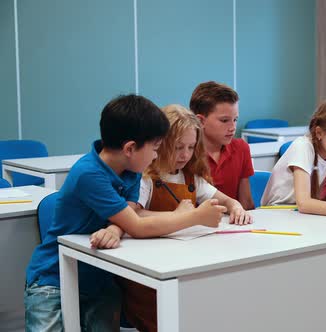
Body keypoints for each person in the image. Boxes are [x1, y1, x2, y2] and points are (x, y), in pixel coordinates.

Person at [24, 95, 226, 331]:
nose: (154, 156)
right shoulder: (89, 174)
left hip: (100, 277)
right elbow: (137, 227)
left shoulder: (130, 171)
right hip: (55, 279)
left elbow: (131, 215)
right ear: (130, 148)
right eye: (155, 148)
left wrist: (115, 228)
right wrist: (193, 217)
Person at [119, 104, 252, 331]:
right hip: (149, 267)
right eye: (178, 147)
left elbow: (224, 200)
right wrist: (184, 216)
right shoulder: (147, 176)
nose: (185, 155)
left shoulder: (190, 176)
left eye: (191, 147)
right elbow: (134, 214)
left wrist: (235, 205)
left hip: (183, 260)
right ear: (160, 144)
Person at [189, 81, 255, 210]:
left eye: (235, 119)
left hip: (233, 224)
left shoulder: (241, 148)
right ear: (200, 121)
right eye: (224, 120)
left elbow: (246, 204)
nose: (233, 127)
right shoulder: (186, 154)